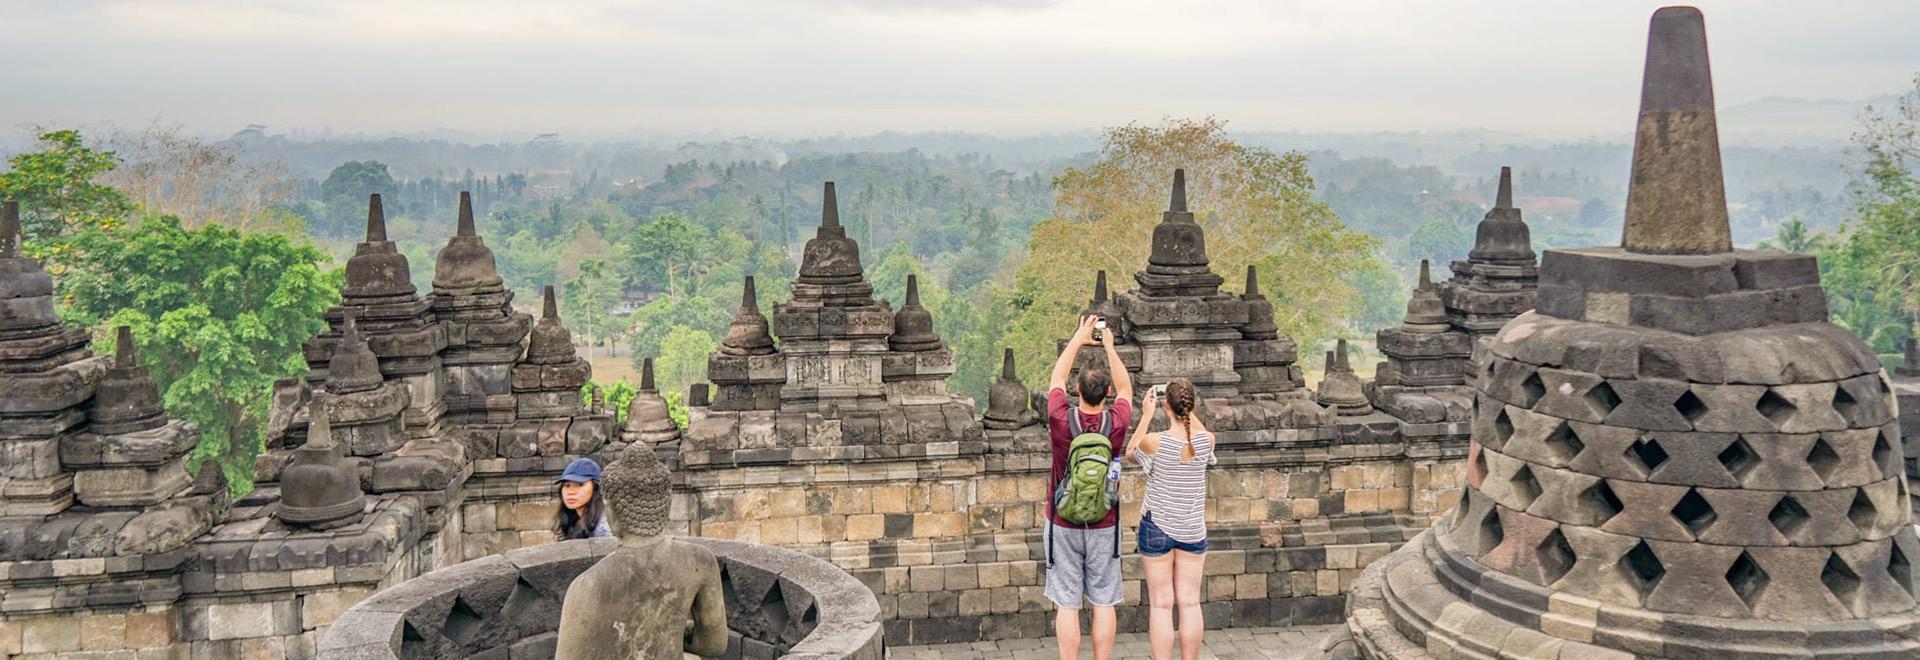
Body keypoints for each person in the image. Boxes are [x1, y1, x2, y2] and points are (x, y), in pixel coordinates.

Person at [556, 445, 727, 658]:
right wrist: (665, 630)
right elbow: (713, 645)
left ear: (610, 511)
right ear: (667, 504)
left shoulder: (586, 587)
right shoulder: (701, 561)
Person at [1044, 314, 1133, 660]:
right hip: (1104, 523)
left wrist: (1079, 339)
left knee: (1067, 603)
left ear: (1077, 390)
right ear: (1106, 393)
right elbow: (1127, 388)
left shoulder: (1059, 419)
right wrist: (1109, 345)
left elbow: (1056, 377)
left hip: (1062, 521)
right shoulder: (1118, 421)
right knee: (1103, 600)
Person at [1127, 378, 1214, 660]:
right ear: (1191, 406)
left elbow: (1130, 452)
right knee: (1189, 602)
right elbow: (1198, 432)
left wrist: (1147, 415)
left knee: (1162, 604)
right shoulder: (1206, 441)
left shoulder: (1154, 442)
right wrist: (1184, 406)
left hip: (1157, 527)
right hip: (1191, 529)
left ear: (1166, 406)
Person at [552, 457, 613, 540]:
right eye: (567, 485)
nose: (570, 492)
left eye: (580, 484)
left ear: (595, 487)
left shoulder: (604, 526)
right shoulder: (572, 520)